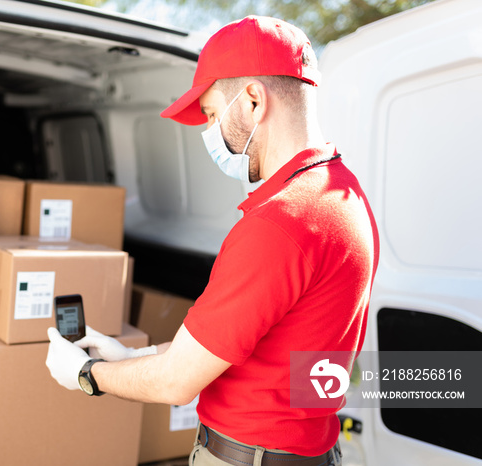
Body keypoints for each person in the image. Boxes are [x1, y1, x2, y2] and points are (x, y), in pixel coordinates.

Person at [46, 15, 379, 466]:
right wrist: (132, 355)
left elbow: (176, 382)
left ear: (254, 101)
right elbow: (247, 351)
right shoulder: (344, 195)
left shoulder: (279, 223)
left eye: (211, 113)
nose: (210, 131)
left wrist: (87, 374)